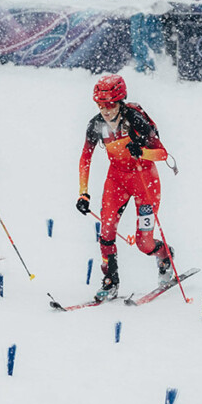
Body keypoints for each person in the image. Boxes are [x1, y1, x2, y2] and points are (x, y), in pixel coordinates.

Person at [76, 74, 174, 302]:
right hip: (117, 180)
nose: (106, 110)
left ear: (120, 102)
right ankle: (110, 280)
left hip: (144, 180)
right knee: (107, 230)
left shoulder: (136, 119)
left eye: (110, 105)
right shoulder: (96, 125)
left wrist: (143, 152)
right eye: (101, 105)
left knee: (143, 243)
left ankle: (165, 256)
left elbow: (162, 154)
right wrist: (83, 192)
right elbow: (85, 158)